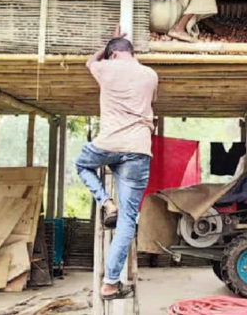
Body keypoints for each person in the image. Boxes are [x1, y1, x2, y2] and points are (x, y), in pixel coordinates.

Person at [75, 26, 158, 300]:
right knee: (127, 220)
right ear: (132, 53)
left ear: (112, 54)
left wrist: (108, 45)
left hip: (107, 145)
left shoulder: (105, 68)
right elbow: (152, 100)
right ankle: (110, 284)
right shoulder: (150, 75)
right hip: (138, 149)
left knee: (82, 164)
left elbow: (90, 61)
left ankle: (105, 201)